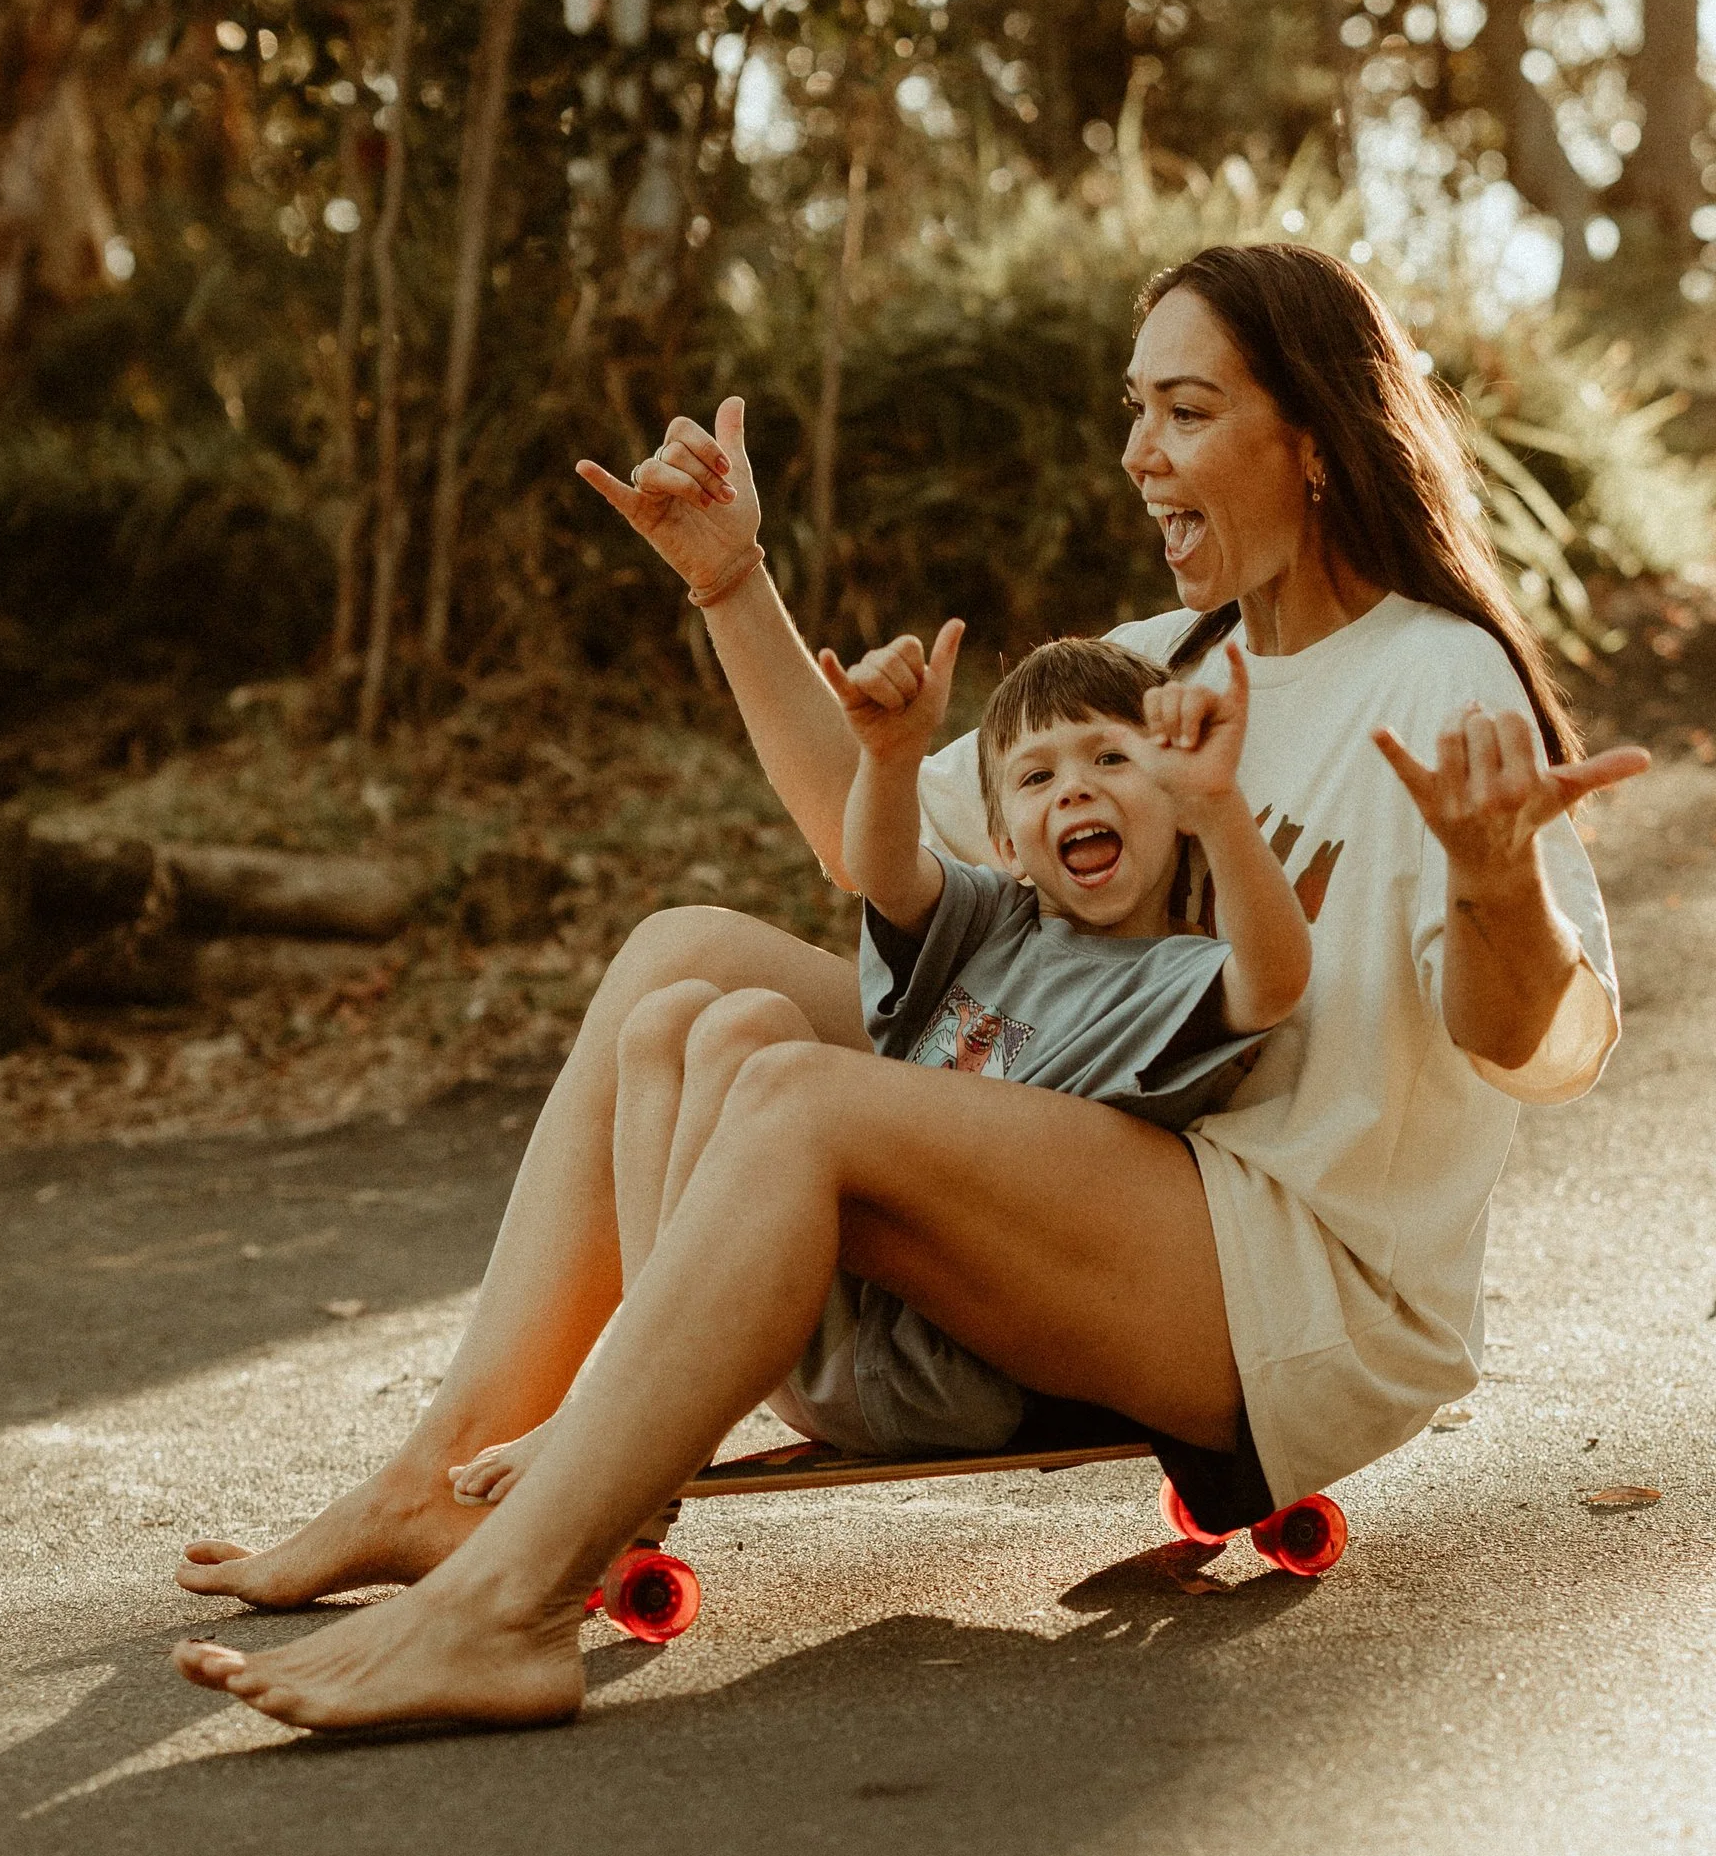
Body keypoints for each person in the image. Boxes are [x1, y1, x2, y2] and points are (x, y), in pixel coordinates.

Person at [174, 239, 1650, 1735]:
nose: (1140, 451)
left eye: (1187, 411)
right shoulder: (1163, 662)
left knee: (805, 1100)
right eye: (1135, 409)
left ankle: (507, 1609)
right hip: (1124, 1158)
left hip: (1295, 1279)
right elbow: (857, 829)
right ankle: (450, 1483)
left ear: (1319, 440)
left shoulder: (1440, 679)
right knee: (684, 957)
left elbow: (1537, 1050)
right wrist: (733, 582)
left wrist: (1490, 880)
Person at [448, 618, 1311, 1503]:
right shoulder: (993, 921)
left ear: (1175, 798)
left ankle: (622, 1418)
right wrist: (890, 758)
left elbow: (1275, 979)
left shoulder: (1172, 979)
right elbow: (885, 869)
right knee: (689, 1019)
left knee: (752, 1030)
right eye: (1037, 776)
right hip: (812, 1310)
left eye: (1112, 761)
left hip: (946, 1369)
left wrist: (1221, 806)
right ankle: (639, 1392)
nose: (1074, 791)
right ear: (1007, 843)